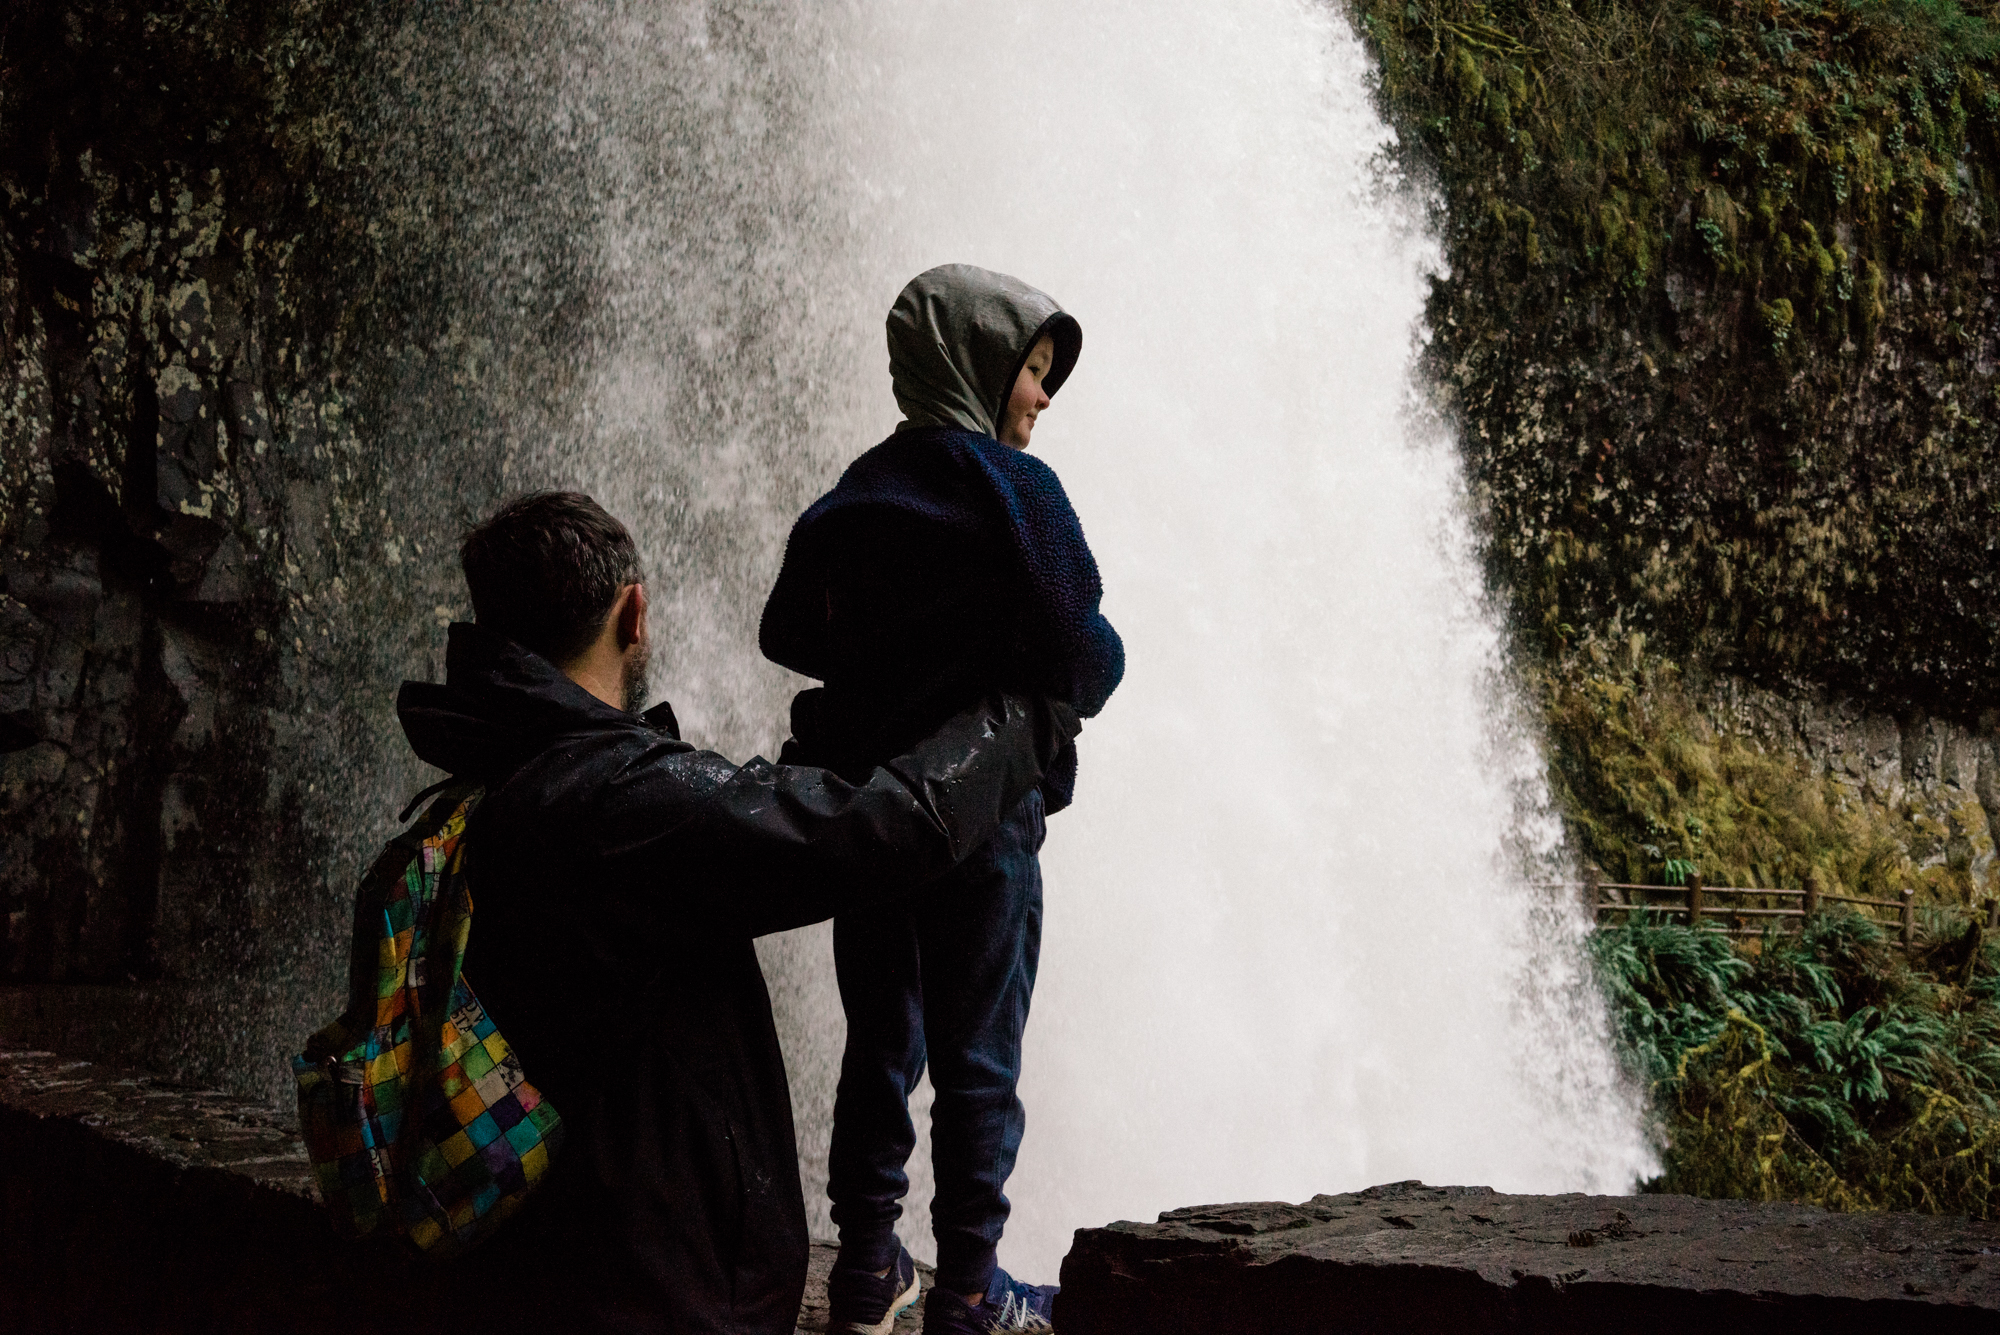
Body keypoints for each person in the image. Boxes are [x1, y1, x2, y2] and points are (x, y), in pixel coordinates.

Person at [395, 490, 1079, 1335]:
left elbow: (759, 822)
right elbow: (883, 828)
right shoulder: (615, 799)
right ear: (633, 611)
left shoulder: (488, 776)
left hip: (544, 1268)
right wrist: (1027, 711)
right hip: (649, 1297)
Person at [759, 264, 1124, 1335]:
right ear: (977, 362)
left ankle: (866, 1273)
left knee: (880, 1043)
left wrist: (887, 660)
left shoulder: (857, 491)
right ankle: (969, 1290)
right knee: (978, 1059)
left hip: (871, 816)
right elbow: (1084, 654)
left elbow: (786, 632)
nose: (1041, 399)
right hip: (982, 821)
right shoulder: (1020, 495)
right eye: (1032, 372)